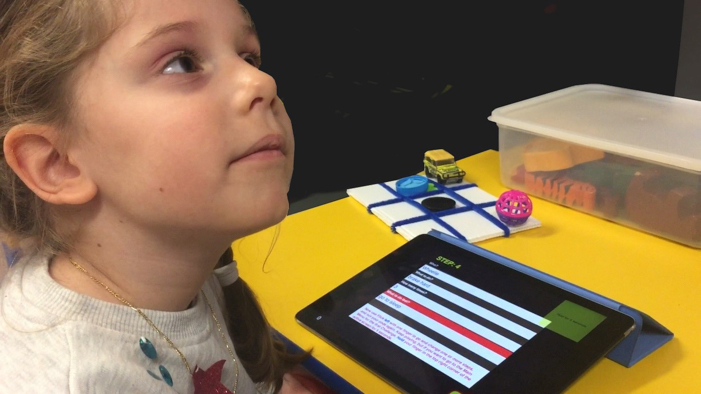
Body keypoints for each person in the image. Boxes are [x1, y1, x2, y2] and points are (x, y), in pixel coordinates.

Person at [0, 0, 323, 393]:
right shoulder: (60, 380)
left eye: (249, 57)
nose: (262, 82)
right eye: (182, 63)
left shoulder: (185, 271)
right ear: (58, 164)